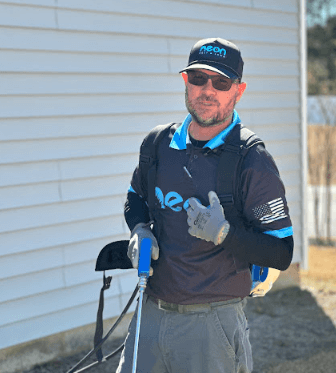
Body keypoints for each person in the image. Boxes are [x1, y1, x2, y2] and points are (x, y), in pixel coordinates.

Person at [117, 37, 294, 373]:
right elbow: (135, 197)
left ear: (238, 91)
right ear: (186, 82)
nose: (207, 90)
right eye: (198, 78)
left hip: (212, 325)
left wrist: (224, 233)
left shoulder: (251, 160)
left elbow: (282, 252)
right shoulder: (158, 144)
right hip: (150, 315)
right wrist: (139, 229)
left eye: (221, 82)